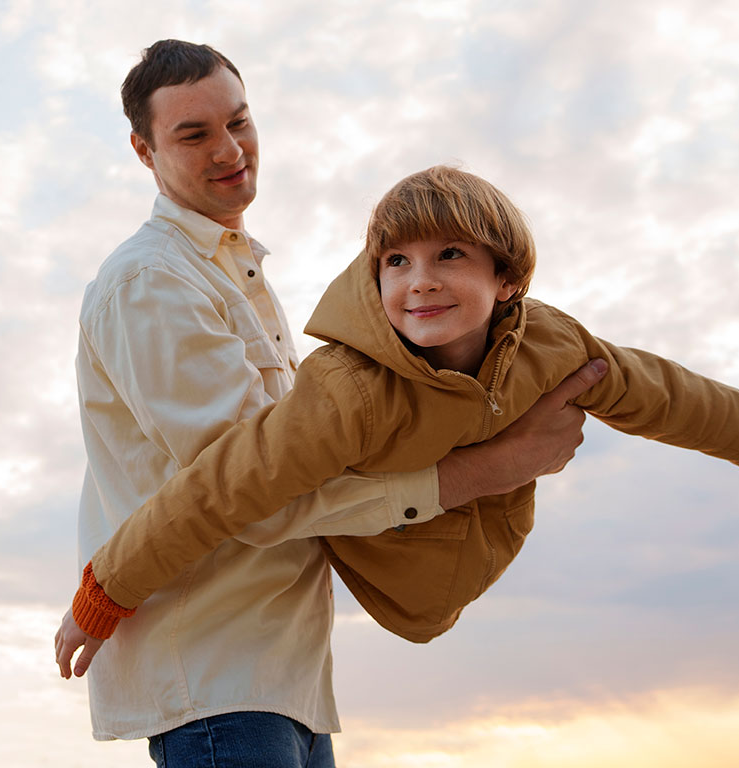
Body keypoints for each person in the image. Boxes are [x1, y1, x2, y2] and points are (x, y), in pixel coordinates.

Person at [58, 165, 739, 688]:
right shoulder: (352, 392)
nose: (419, 278)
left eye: (449, 255)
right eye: (396, 261)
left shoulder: (555, 348)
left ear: (506, 278)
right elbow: (218, 489)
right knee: (269, 477)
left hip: (480, 547)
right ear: (376, 277)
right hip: (393, 558)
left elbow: (668, 394)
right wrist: (106, 591)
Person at [59, 40, 605, 767]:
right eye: (193, 134)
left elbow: (304, 458)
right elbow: (247, 489)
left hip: (285, 680)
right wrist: (487, 469)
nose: (229, 150)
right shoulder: (152, 284)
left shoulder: (235, 273)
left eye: (240, 121)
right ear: (143, 149)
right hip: (217, 679)